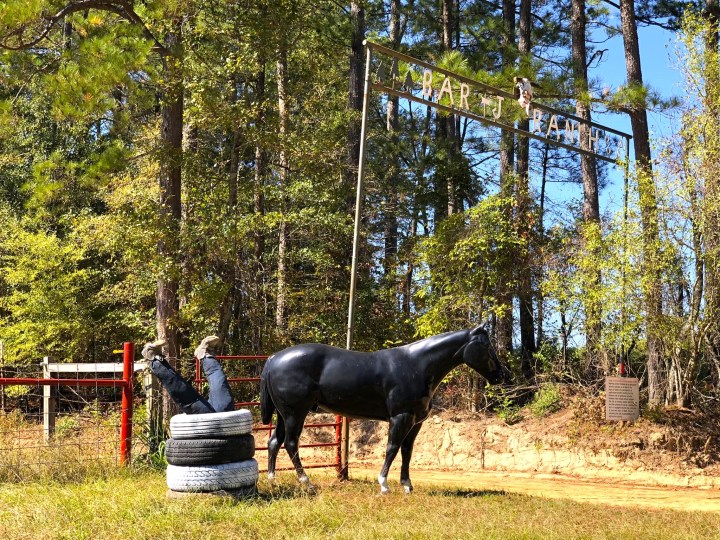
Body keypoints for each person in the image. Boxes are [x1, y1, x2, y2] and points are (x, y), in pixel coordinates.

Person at [141, 335, 235, 414]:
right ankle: (204, 354)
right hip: (224, 418)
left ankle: (154, 360)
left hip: (206, 422)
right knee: (222, 388)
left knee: (188, 397)